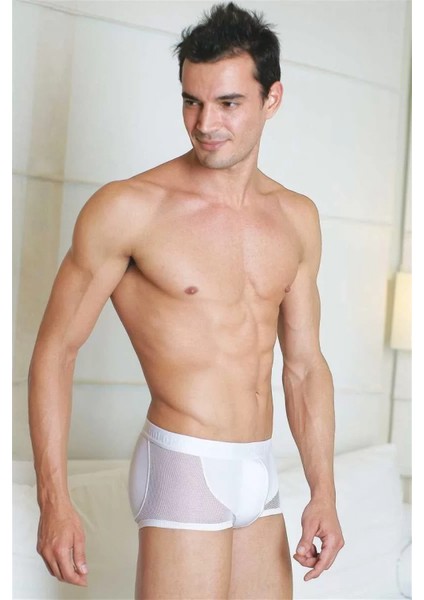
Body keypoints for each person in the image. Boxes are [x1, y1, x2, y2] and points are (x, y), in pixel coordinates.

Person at [28, 2, 344, 598]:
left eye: (228, 103)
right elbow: (55, 352)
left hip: (260, 471)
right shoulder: (129, 209)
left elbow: (305, 368)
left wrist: (323, 492)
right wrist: (54, 501)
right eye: (191, 101)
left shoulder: (296, 219)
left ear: (272, 99)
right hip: (183, 465)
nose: (204, 123)